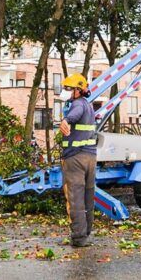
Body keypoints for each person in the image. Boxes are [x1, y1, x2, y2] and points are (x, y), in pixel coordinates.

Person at [59, 73, 97, 248]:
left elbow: (74, 114)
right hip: (90, 157)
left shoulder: (77, 105)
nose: (65, 92)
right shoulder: (89, 106)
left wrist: (66, 120)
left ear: (77, 90)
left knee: (75, 198)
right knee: (88, 196)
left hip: (75, 158)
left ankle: (79, 238)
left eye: (68, 89)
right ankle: (87, 231)